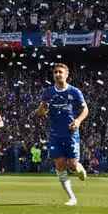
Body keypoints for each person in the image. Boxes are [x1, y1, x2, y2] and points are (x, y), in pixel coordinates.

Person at [35, 63, 88, 205]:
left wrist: (78, 120)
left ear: (66, 74)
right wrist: (40, 110)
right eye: (55, 72)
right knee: (59, 164)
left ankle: (80, 170)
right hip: (55, 134)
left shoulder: (74, 92)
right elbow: (42, 111)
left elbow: (85, 110)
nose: (58, 74)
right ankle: (72, 197)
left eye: (60, 72)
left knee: (72, 164)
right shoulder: (48, 93)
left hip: (70, 133)